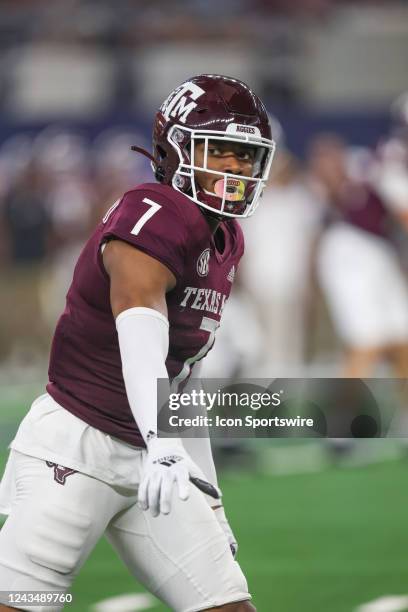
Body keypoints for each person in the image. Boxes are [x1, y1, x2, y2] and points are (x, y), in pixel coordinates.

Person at [0, 74, 276, 612]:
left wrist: (210, 500)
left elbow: (182, 376)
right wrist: (164, 445)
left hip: (156, 460)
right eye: (220, 151)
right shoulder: (152, 213)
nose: (238, 168)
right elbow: (139, 328)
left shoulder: (225, 236)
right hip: (78, 449)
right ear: (174, 149)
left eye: (246, 155)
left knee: (228, 605)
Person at [309, 134, 408, 378]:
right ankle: (344, 415)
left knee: (403, 339)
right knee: (366, 343)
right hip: (352, 249)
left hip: (379, 251)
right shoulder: (378, 158)